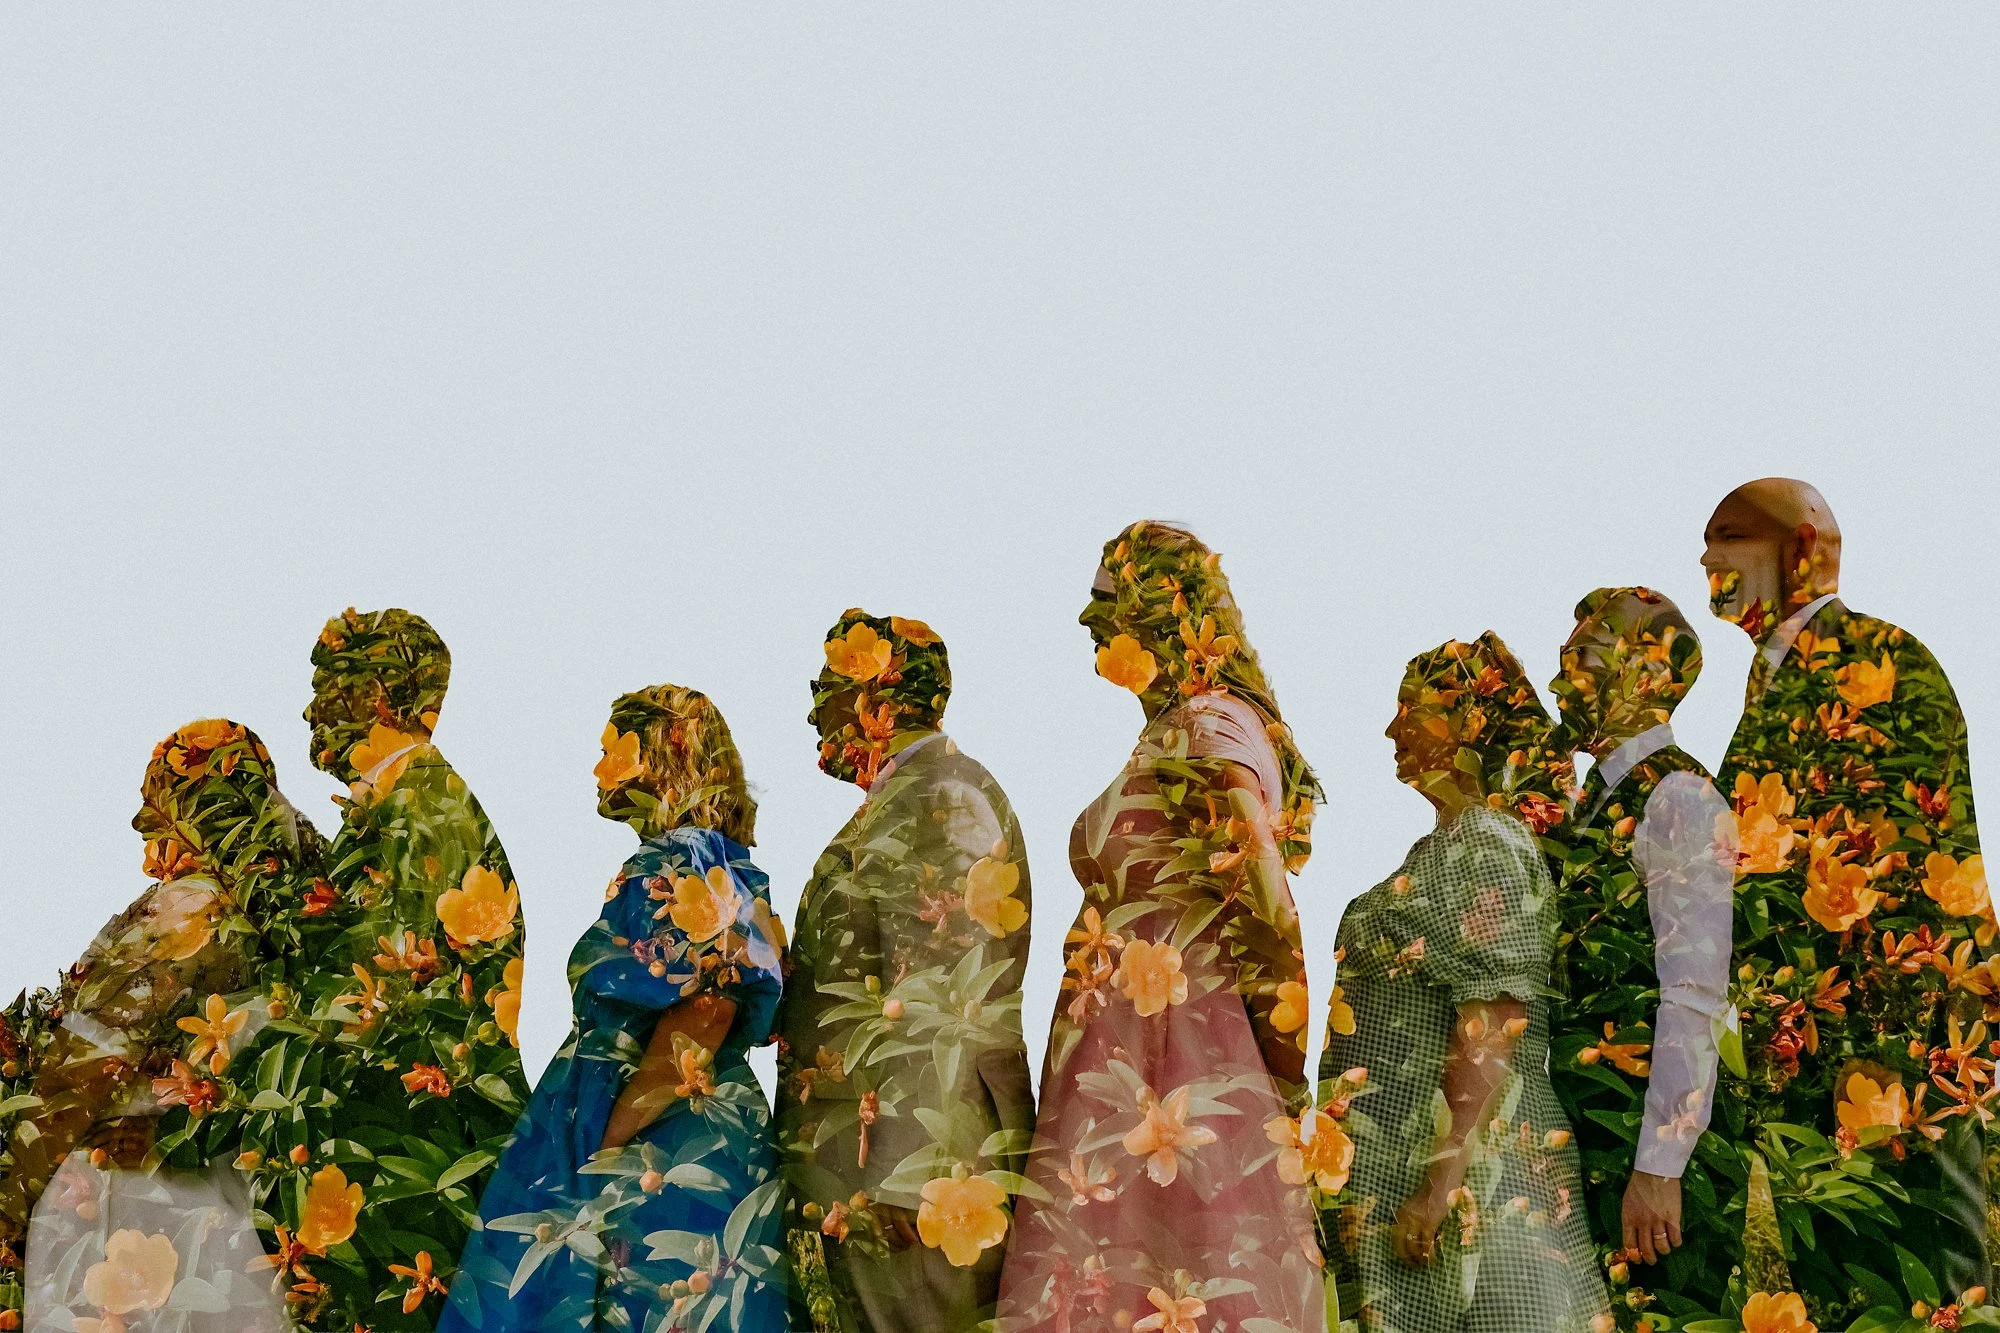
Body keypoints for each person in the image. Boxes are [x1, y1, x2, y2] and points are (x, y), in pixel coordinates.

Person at [997, 522, 1326, 1333]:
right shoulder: (1172, 729)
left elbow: (1268, 911)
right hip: (1127, 1079)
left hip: (1182, 1077)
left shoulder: (1211, 726)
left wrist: (1283, 1081)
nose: (1085, 617)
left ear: (1162, 611)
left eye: (1106, 597)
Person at [1704, 479, 1992, 1326]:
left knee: (1930, 1292)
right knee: (1845, 1294)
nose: (1706, 559)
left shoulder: (1882, 659)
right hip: (1813, 1051)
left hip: (1900, 1048)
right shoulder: (1771, 680)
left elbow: (1919, 857)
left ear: (1801, 547)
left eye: (1729, 538)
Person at [439, 684, 787, 1331]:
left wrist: (610, 1137)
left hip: (661, 1136)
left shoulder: (683, 863)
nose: (598, 769)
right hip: (680, 1126)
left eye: (610, 750)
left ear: (658, 751)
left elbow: (707, 1011)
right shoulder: (720, 862)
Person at [1319, 634, 1608, 1333]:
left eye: (1410, 709)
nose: (1392, 728)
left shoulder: (1487, 839)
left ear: (1466, 724)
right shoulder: (1448, 843)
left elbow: (1495, 1014)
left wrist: (1442, 1181)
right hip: (1415, 1160)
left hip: (1480, 1173)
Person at [0, 720, 313, 1332]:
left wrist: (10, 1194)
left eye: (158, 824)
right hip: (225, 1220)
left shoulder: (196, 907)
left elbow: (93, 1056)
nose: (150, 857)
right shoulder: (290, 905)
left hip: (140, 1224)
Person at [775, 610, 1036, 1333]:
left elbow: (946, 992)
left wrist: (906, 1176)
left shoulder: (944, 799)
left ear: (879, 705)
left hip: (910, 1174)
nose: (810, 714)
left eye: (825, 693)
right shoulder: (921, 796)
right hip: (874, 1169)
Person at [1544, 588, 1736, 1322]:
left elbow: (1694, 987)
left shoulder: (1679, 794)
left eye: (1588, 648)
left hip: (1646, 1157)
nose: (1566, 662)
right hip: (1594, 1138)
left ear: (1649, 674)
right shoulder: (1598, 796)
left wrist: (1660, 1163)